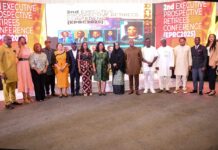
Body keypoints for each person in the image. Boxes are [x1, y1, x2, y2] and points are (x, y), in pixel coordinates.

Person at [0, 36, 21, 109]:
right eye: (9, 39)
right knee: (6, 88)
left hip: (13, 72)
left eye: (11, 39)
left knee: (13, 87)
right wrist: (2, 72)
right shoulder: (1, 48)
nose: (10, 41)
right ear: (4, 40)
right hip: (6, 72)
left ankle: (13, 100)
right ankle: (7, 103)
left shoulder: (11, 48)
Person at [16, 36, 34, 103]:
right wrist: (20, 48)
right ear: (19, 41)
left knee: (28, 79)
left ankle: (28, 96)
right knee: (23, 80)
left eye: (24, 40)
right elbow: (18, 56)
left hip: (27, 64)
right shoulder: (18, 48)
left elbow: (30, 56)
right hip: (21, 64)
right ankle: (24, 98)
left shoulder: (28, 48)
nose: (23, 41)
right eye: (21, 40)